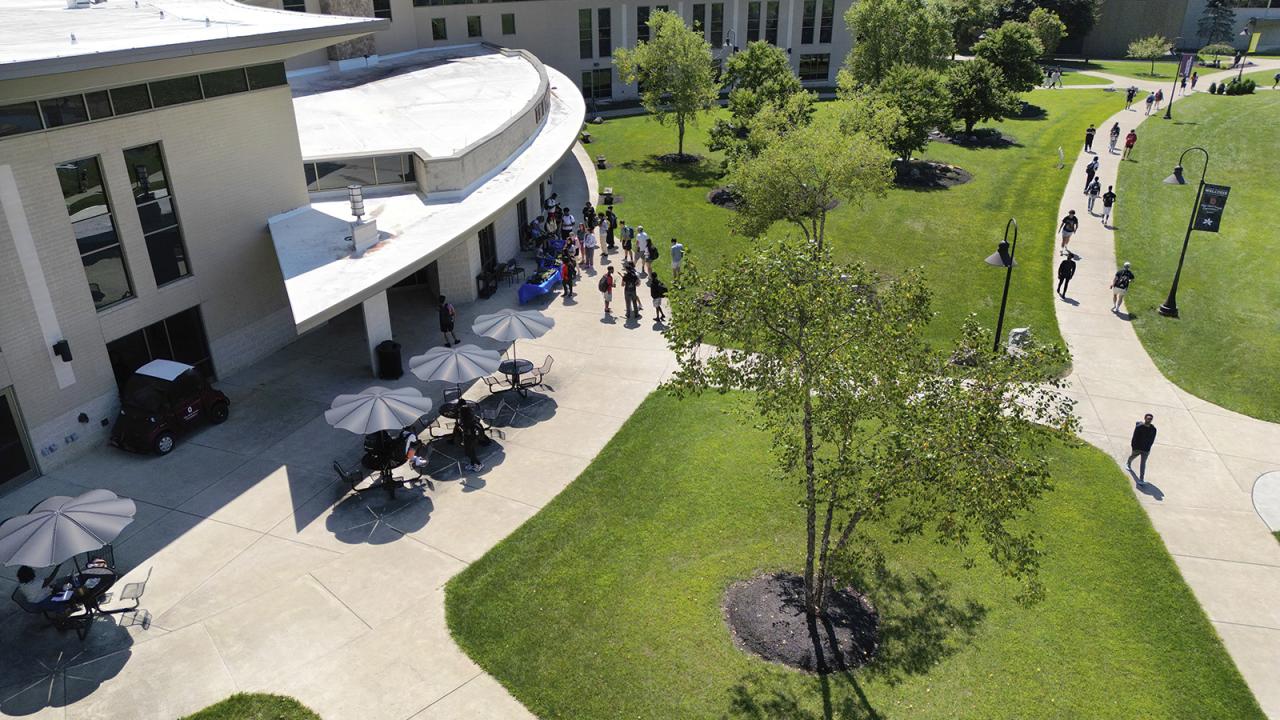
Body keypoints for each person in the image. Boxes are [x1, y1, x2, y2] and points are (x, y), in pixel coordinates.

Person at [1127, 414, 1157, 485]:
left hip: (1146, 450)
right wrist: (1133, 447)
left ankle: (1141, 479)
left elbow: (1152, 439)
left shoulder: (1153, 429)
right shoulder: (1139, 427)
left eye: (1150, 419)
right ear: (1145, 418)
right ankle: (1128, 463)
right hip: (1137, 448)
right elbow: (1134, 438)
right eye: (1148, 418)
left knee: (1143, 464)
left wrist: (1149, 447)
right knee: (1132, 456)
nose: (1149, 420)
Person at [458, 404, 484, 472]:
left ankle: (479, 464)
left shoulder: (467, 421)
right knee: (470, 452)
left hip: (470, 438)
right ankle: (472, 464)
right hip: (472, 437)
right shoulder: (471, 417)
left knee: (470, 452)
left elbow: (467, 431)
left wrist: (461, 429)